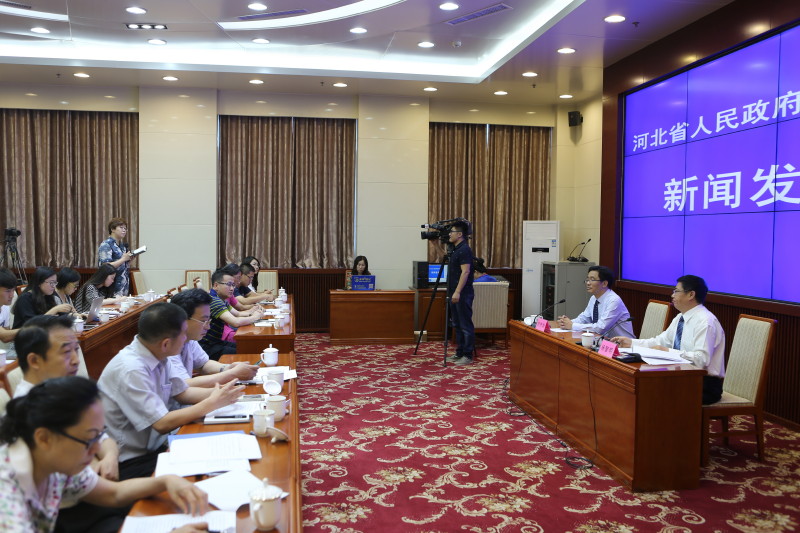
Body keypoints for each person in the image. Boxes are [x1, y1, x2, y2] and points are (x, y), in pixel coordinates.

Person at [0, 376, 208, 533]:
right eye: (89, 439)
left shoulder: (48, 457)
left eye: (99, 436)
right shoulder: (7, 497)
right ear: (44, 437)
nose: (95, 451)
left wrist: (165, 481)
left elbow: (113, 494)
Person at [99, 302, 245, 479]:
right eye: (183, 334)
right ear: (166, 343)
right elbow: (161, 423)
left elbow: (182, 393)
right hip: (132, 460)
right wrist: (211, 403)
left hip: (158, 445)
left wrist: (226, 394)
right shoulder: (131, 369)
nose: (186, 338)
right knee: (216, 471)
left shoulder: (158, 353)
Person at [12, 315, 127, 533]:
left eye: (76, 350)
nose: (76, 360)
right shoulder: (27, 413)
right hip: (69, 514)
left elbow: (104, 439)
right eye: (66, 352)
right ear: (34, 361)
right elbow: (76, 474)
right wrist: (99, 466)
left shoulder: (63, 392)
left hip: (99, 492)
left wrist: (110, 458)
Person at [611, 275, 726, 404]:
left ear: (691, 294)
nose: (672, 295)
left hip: (704, 384)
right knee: (639, 387)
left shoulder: (706, 322)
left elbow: (701, 360)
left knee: (651, 393)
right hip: (681, 377)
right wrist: (631, 343)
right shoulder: (680, 318)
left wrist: (668, 351)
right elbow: (659, 342)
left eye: (676, 291)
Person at [170, 288, 259, 386]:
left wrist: (227, 368)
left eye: (209, 321)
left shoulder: (189, 338)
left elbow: (203, 364)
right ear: (182, 319)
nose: (208, 327)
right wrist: (231, 374)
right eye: (203, 321)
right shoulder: (168, 345)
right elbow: (183, 385)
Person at [556, 265, 635, 339]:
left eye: (592, 279)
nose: (588, 283)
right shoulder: (594, 298)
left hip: (623, 345)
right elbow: (584, 318)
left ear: (604, 283)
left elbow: (601, 328)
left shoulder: (614, 301)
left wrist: (573, 325)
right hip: (602, 341)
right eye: (587, 279)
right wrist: (566, 323)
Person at [200, 270, 263, 360]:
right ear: (216, 285)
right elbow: (235, 322)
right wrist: (255, 317)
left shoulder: (221, 299)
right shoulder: (214, 301)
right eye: (228, 285)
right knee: (246, 352)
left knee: (246, 348)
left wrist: (253, 311)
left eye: (233, 285)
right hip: (207, 347)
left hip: (216, 342)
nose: (232, 288)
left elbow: (237, 314)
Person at [445, 220, 475, 366]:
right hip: (454, 292)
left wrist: (457, 292)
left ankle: (467, 355)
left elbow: (466, 272)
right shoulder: (456, 249)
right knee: (457, 324)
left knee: (465, 324)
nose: (449, 234)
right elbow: (445, 258)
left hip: (463, 293)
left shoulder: (464, 250)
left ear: (459, 234)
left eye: (452, 231)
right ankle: (459, 352)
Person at [98, 217, 133, 296]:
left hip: (123, 285)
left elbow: (122, 266)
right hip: (111, 286)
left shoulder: (122, 246)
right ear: (112, 229)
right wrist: (123, 259)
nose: (124, 230)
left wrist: (129, 260)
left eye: (125, 228)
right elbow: (105, 267)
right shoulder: (106, 244)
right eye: (121, 227)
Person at [0, 267, 20, 357]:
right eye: (8, 291)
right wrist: (32, 329)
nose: (12, 295)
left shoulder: (5, 307)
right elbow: (4, 336)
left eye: (13, 290)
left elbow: (7, 335)